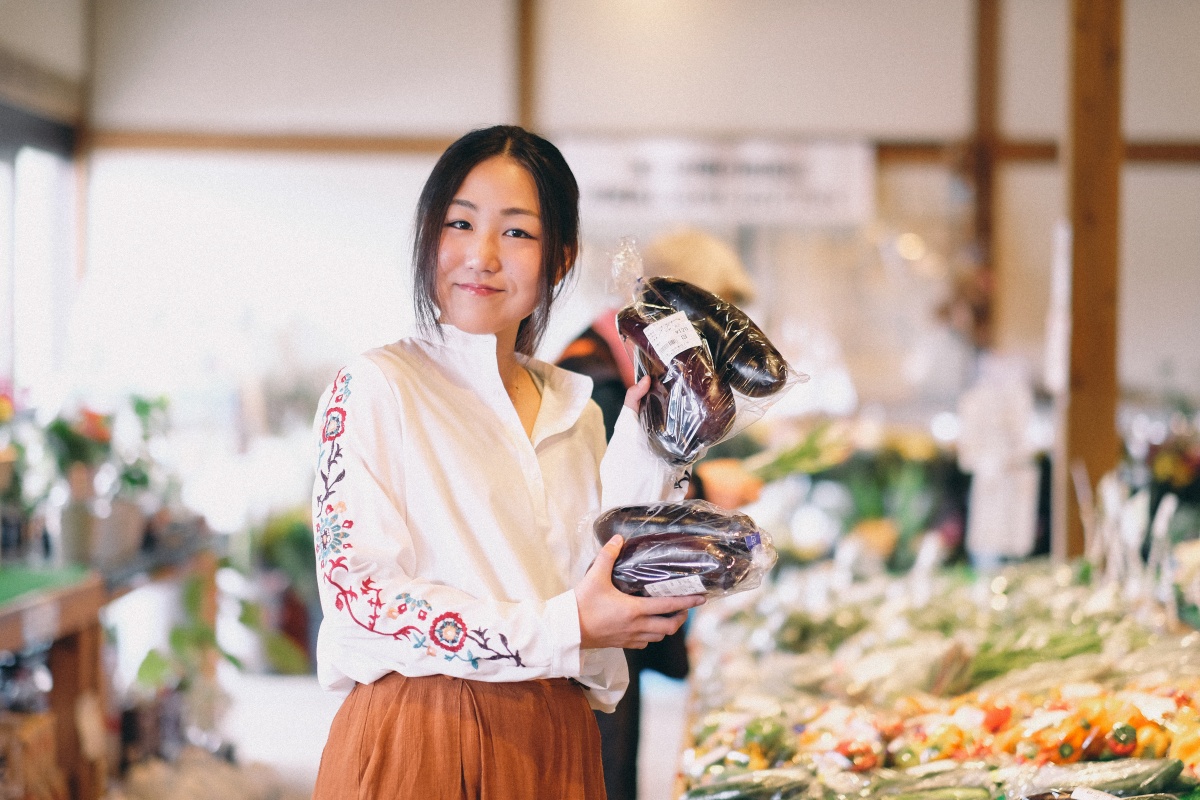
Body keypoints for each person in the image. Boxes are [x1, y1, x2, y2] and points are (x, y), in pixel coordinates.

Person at [309, 126, 705, 800]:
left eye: (517, 233)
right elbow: (363, 601)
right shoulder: (376, 385)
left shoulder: (574, 408)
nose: (482, 256)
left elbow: (598, 574)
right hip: (421, 736)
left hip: (558, 737)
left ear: (559, 257)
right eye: (460, 223)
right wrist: (566, 626)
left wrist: (657, 440)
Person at [556, 226, 759, 800]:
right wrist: (706, 493)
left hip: (616, 632)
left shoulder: (636, 365)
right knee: (600, 774)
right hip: (580, 635)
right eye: (715, 324)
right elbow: (597, 509)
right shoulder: (584, 371)